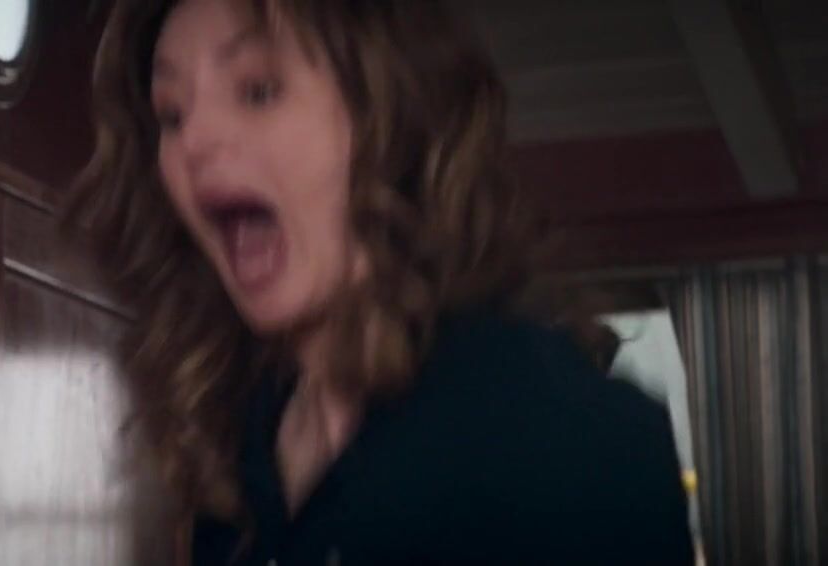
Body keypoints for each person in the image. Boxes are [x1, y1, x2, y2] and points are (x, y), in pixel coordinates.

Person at [62, 0, 695, 564]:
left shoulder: (560, 435)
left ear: (393, 122)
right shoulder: (232, 456)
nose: (193, 141)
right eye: (171, 115)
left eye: (258, 91)